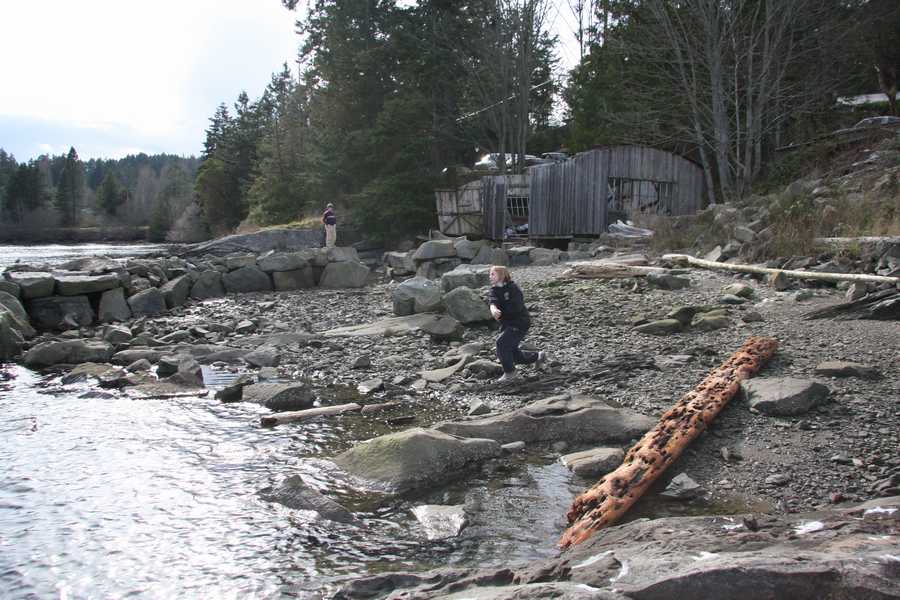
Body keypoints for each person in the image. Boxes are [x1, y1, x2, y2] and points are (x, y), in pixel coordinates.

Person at [488, 265, 546, 383]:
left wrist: (502, 312)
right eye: (490, 274)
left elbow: (516, 307)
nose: (490, 276)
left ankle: (510, 373)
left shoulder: (513, 288)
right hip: (507, 324)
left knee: (501, 343)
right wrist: (494, 309)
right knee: (513, 353)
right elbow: (493, 302)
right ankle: (538, 356)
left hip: (520, 322)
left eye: (493, 274)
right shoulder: (494, 290)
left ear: (502, 275)